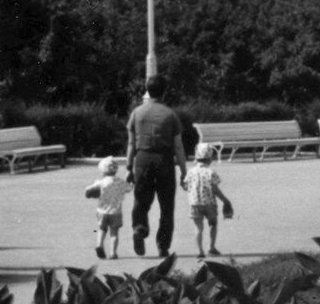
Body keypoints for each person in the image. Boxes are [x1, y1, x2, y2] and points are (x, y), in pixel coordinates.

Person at [125, 74, 190, 257]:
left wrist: (129, 167)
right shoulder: (170, 114)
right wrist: (184, 172)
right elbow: (178, 146)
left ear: (147, 89)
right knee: (166, 206)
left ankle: (139, 228)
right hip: (165, 161)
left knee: (141, 200)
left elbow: (131, 144)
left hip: (142, 159)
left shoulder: (137, 113)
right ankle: (163, 245)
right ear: (164, 92)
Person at [184, 144, 236, 258]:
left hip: (195, 204)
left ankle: (200, 251)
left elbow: (186, 186)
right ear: (210, 158)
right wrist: (225, 201)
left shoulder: (191, 172)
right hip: (209, 204)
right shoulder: (211, 172)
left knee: (198, 228)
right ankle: (211, 248)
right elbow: (215, 190)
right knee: (213, 224)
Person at [83, 156, 130, 260]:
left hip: (102, 211)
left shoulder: (100, 182)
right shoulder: (120, 182)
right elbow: (129, 188)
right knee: (114, 233)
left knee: (101, 229)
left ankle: (99, 245)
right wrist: (128, 178)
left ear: (102, 171)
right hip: (116, 212)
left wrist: (88, 191)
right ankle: (113, 253)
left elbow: (88, 190)